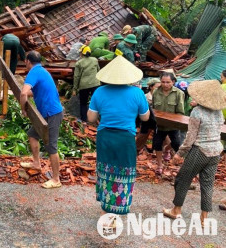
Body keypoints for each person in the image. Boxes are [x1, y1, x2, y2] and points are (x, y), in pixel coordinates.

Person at [87, 55, 150, 215]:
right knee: (124, 170)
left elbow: (91, 118)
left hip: (105, 137)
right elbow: (145, 118)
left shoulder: (99, 92)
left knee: (106, 169)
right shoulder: (137, 93)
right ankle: (119, 206)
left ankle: (105, 205)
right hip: (126, 138)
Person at [163, 80, 226, 227]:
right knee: (207, 184)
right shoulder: (218, 112)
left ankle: (176, 210)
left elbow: (190, 137)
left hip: (200, 151)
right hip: (216, 151)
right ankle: (204, 218)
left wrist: (180, 154)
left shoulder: (197, 112)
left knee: (182, 179)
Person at [20, 51, 64, 189]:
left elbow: (23, 92)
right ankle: (36, 163)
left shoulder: (34, 72)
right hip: (47, 113)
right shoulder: (42, 71)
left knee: (51, 146)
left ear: (27, 61)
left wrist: (24, 109)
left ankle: (56, 179)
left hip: (52, 114)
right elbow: (35, 91)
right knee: (32, 135)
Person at [152, 72, 185, 175]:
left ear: (173, 82)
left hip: (173, 125)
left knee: (176, 144)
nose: (165, 84)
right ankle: (159, 165)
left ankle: (180, 165)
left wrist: (175, 122)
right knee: (157, 144)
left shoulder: (179, 93)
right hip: (159, 125)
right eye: (163, 82)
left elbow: (180, 111)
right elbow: (153, 109)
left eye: (168, 82)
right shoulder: (156, 92)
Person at [72, 45, 100, 122]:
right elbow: (98, 70)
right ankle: (96, 119)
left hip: (84, 86)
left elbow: (76, 77)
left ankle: (84, 120)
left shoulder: (79, 63)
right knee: (96, 101)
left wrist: (75, 89)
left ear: (82, 53)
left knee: (83, 103)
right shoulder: (95, 60)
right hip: (95, 84)